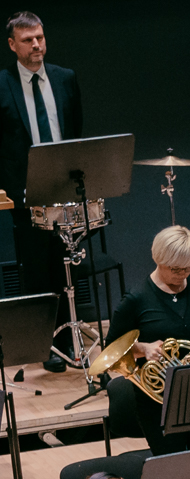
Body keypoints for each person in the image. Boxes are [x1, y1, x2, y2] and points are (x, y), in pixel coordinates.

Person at [108, 225, 190, 454]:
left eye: (189, 267)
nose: (183, 274)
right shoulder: (136, 299)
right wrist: (143, 348)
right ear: (158, 259)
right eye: (176, 269)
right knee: (172, 465)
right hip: (160, 404)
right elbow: (111, 351)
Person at [0, 12, 80, 371]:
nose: (36, 45)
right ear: (12, 44)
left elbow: (75, 131)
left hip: (64, 192)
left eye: (40, 38)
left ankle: (67, 341)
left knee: (66, 270)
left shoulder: (65, 78)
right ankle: (42, 347)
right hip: (26, 195)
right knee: (35, 272)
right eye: (28, 39)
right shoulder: (2, 84)